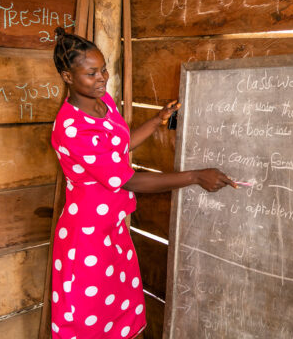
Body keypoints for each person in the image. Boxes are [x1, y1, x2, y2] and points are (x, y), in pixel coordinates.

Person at [49, 27, 236, 338]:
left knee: (119, 311)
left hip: (113, 228)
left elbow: (118, 147)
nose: (102, 78)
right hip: (87, 236)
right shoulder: (70, 128)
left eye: (104, 69)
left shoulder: (102, 101)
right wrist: (194, 176)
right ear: (68, 77)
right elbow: (127, 180)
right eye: (91, 73)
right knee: (88, 319)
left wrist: (156, 120)